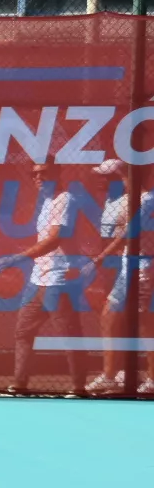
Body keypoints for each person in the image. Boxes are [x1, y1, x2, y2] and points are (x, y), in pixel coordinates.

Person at [9, 159, 88, 397]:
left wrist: (20, 257)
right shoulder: (46, 202)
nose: (38, 178)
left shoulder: (65, 200)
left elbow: (55, 239)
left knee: (69, 336)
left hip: (59, 281)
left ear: (57, 172)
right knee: (23, 332)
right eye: (34, 174)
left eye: (43, 173)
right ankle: (19, 384)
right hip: (37, 281)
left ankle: (78, 388)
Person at [86, 159, 154, 395]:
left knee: (144, 324)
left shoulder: (145, 200)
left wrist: (103, 254)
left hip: (140, 269)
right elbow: (127, 233)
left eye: (108, 176)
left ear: (122, 176)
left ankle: (119, 377)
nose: (102, 180)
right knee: (117, 319)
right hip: (130, 266)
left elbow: (129, 232)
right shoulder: (132, 200)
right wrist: (104, 255)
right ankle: (115, 375)